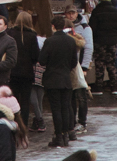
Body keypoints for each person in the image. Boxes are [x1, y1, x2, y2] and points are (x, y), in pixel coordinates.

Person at [38, 15, 77, 148]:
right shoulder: (71, 41)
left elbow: (42, 60)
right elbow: (74, 62)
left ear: (53, 26)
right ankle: (66, 135)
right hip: (66, 79)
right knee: (65, 107)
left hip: (52, 79)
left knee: (56, 109)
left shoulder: (49, 41)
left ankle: (58, 136)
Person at [6, 11, 41, 126]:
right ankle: (23, 126)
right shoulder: (32, 35)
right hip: (27, 73)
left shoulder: (9, 33)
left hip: (12, 72)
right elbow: (35, 56)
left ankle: (14, 124)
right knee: (25, 101)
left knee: (13, 99)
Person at [89, 0, 117, 92]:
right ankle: (114, 86)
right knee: (111, 64)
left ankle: (99, 86)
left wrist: (94, 40)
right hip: (112, 42)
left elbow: (92, 28)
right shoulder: (116, 11)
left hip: (99, 42)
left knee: (99, 64)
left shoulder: (97, 11)